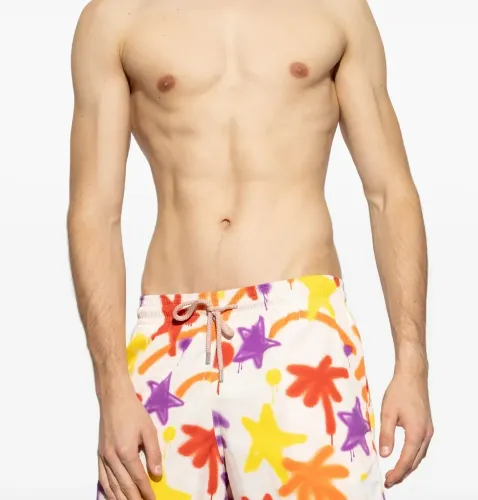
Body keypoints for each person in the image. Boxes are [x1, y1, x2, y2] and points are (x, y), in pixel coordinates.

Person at [67, 0, 433, 498]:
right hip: (171, 339)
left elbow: (390, 193)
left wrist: (412, 362)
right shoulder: (117, 16)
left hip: (302, 335)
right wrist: (111, 387)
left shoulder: (336, 9)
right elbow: (94, 212)